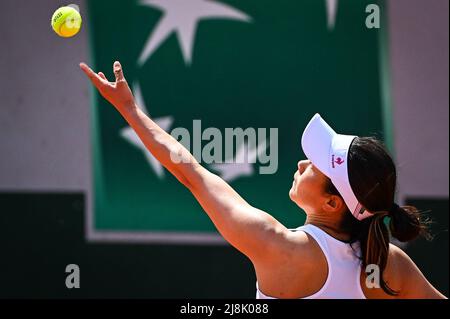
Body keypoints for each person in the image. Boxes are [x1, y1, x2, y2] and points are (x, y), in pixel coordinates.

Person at [80, 61, 447, 299]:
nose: (303, 163)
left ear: (333, 202)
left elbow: (189, 171)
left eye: (315, 165)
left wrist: (128, 109)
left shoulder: (276, 246)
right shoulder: (388, 265)